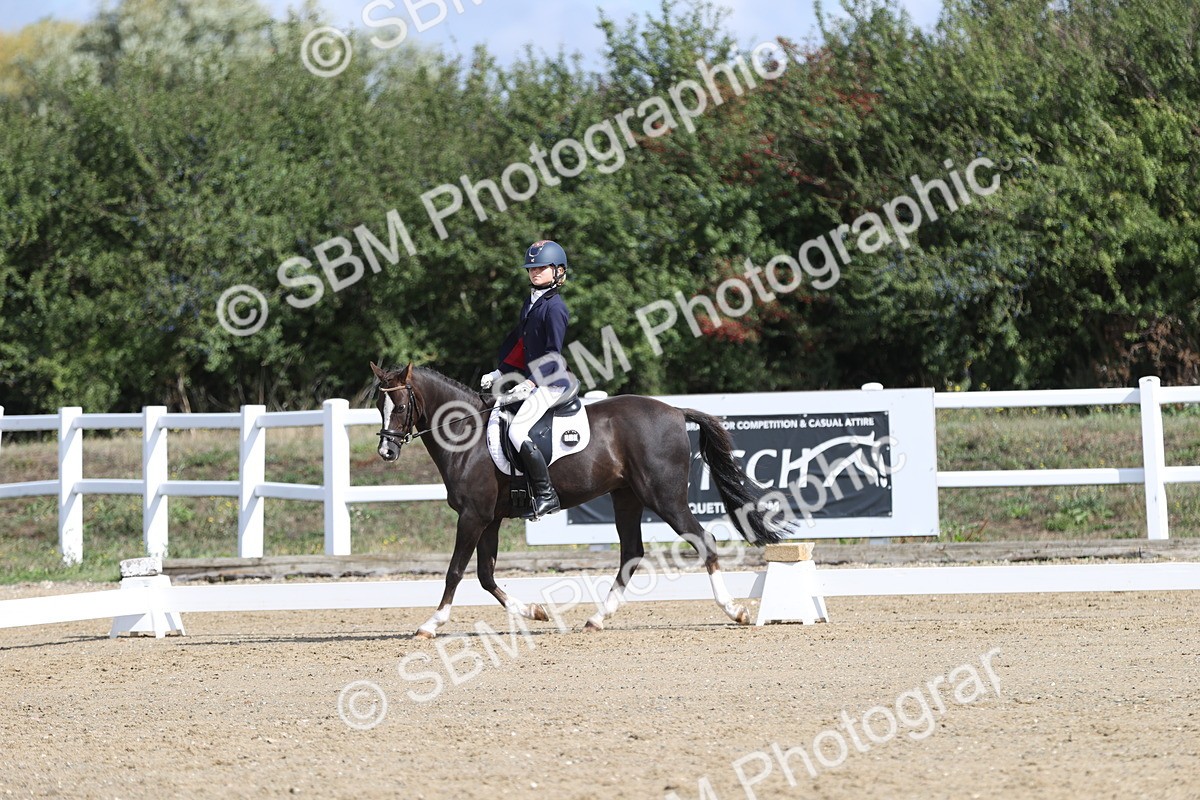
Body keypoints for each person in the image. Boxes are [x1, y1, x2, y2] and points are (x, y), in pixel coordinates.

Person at [480, 240, 572, 518]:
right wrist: (501, 370)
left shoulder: (555, 308)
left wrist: (532, 382)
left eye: (541, 268)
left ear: (558, 271)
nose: (534, 272)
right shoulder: (532, 303)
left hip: (552, 381)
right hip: (534, 378)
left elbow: (552, 354)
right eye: (531, 268)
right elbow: (523, 345)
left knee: (518, 431)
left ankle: (546, 495)